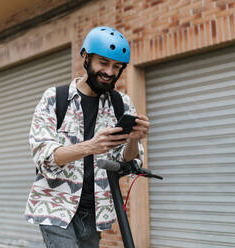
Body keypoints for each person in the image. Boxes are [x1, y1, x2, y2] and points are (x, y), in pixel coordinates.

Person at [25, 26, 149, 248]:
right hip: (56, 204)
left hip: (95, 211)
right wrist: (90, 146)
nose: (110, 72)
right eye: (103, 62)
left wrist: (133, 138)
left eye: (116, 66)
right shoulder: (55, 98)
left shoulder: (122, 105)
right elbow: (44, 156)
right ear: (86, 56)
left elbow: (127, 163)